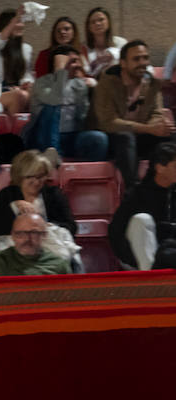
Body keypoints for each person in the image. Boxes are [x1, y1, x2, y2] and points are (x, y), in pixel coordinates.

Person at [93, 41, 173, 188]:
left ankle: (156, 186)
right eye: (136, 59)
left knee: (170, 136)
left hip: (139, 136)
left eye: (145, 58)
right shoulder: (107, 83)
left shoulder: (151, 83)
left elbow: (156, 112)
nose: (142, 63)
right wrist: (149, 129)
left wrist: (159, 126)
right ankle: (133, 191)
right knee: (125, 137)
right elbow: (108, 122)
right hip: (111, 138)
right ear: (123, 63)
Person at [25, 46, 108, 162]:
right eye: (73, 61)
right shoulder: (41, 83)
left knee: (98, 138)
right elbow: (55, 99)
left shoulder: (79, 85)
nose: (78, 65)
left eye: (78, 61)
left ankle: (86, 175)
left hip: (72, 136)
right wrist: (60, 71)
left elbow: (83, 116)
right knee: (51, 107)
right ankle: (53, 157)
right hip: (42, 138)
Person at [109, 141, 176, 269]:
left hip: (170, 254)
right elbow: (116, 233)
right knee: (141, 220)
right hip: (139, 259)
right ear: (160, 168)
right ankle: (149, 275)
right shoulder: (137, 195)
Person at [0, 150, 78, 243]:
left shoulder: (54, 194)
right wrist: (14, 207)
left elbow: (71, 227)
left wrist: (45, 225)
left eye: (41, 176)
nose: (36, 182)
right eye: (30, 177)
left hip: (50, 247)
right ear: (19, 177)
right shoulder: (7, 196)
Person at [0, 8, 35, 116]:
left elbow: (27, 75)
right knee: (20, 96)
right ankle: (13, 132)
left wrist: (27, 83)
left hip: (19, 90)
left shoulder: (26, 49)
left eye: (21, 22)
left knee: (34, 93)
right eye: (17, 22)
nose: (21, 25)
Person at [0, 212, 72, 276]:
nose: (27, 239)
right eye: (20, 233)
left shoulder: (58, 264)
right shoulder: (1, 261)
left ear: (44, 235)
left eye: (33, 233)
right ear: (13, 236)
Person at [81, 7, 126, 78]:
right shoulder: (83, 48)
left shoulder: (121, 43)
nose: (97, 23)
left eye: (101, 20)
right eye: (93, 22)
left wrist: (114, 56)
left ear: (108, 22)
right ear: (89, 27)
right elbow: (84, 73)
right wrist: (96, 63)